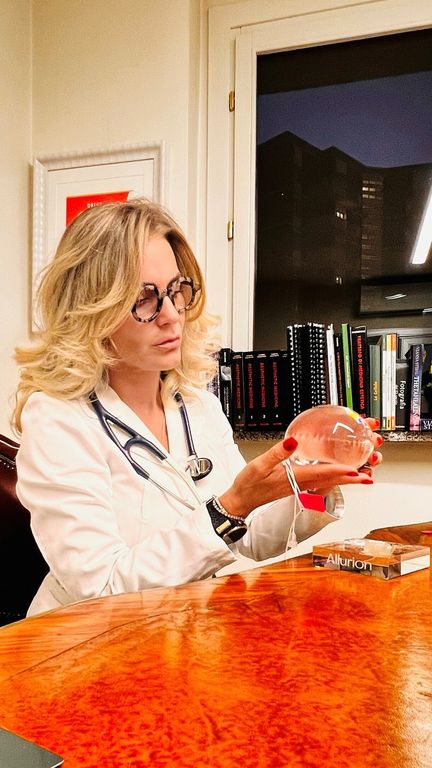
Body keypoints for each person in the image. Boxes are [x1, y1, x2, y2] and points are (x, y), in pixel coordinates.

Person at [12, 198, 382, 616]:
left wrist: (312, 489)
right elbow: (102, 587)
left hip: (181, 629)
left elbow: (250, 537)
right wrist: (230, 508)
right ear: (92, 309)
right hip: (84, 641)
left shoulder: (196, 405)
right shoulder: (57, 418)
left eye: (175, 291)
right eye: (144, 298)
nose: (172, 315)